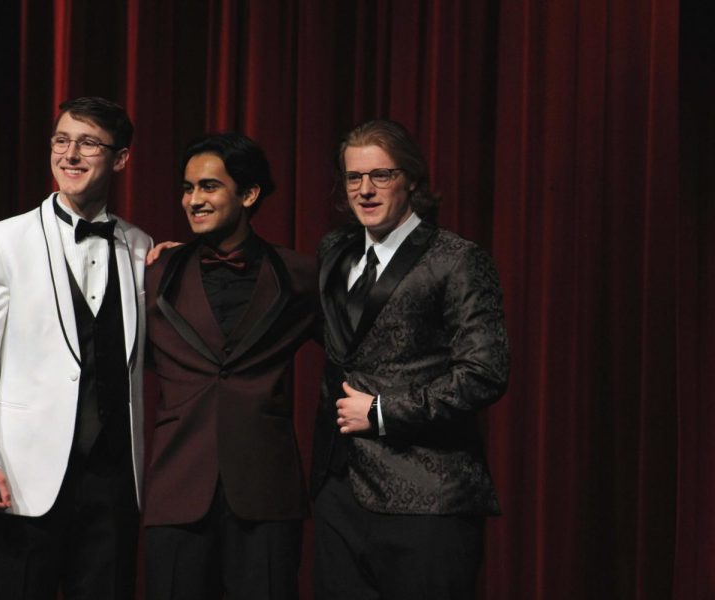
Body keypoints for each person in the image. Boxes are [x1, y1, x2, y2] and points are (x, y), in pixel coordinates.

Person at [0, 96, 152, 599]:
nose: (71, 154)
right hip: (25, 475)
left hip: (112, 481)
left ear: (120, 159)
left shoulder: (140, 247)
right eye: (62, 140)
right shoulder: (3, 240)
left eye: (88, 143)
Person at [311, 119, 510, 600]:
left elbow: (485, 373)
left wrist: (382, 412)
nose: (365, 189)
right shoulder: (334, 249)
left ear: (412, 180)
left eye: (381, 175)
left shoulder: (456, 258)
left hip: (427, 495)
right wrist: (178, 260)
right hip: (339, 491)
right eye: (354, 177)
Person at [143, 133, 319, 600]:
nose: (193, 200)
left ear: (248, 194)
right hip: (177, 487)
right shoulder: (155, 275)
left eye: (208, 187)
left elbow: (354, 355)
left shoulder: (300, 276)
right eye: (187, 189)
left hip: (266, 494)